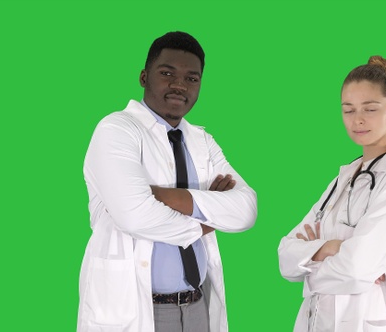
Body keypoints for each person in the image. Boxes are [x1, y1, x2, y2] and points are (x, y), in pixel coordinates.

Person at [77, 31, 257, 332]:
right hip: (138, 308)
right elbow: (135, 215)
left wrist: (164, 197)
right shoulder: (116, 130)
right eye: (167, 73)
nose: (179, 85)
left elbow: (246, 208)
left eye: (192, 78)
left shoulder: (203, 140)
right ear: (144, 76)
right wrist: (206, 221)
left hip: (197, 306)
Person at [278, 56, 386, 332]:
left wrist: (310, 262)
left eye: (370, 109)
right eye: (348, 110)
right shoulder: (343, 180)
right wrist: (329, 249)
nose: (357, 120)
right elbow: (285, 256)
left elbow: (356, 269)